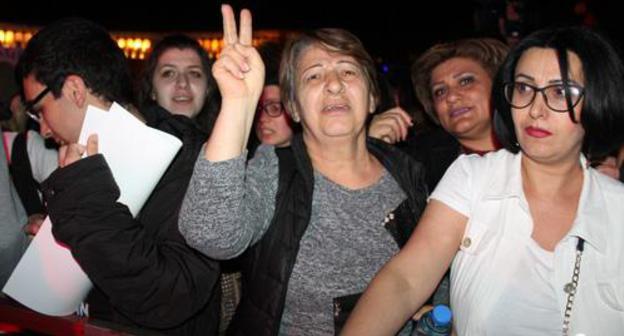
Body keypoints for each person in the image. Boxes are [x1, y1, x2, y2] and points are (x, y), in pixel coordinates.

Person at [342, 26, 624, 335]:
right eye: (524, 89)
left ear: (597, 100)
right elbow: (406, 279)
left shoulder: (615, 207)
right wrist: (365, 147)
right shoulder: (469, 175)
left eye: (560, 92)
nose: (536, 109)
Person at [178, 5, 427, 336]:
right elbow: (210, 235)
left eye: (349, 72)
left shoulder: (407, 172)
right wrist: (238, 103)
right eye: (314, 75)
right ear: (293, 107)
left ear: (371, 99)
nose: (334, 85)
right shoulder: (274, 169)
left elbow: (432, 277)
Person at [17, 18, 220, 335]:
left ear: (74, 90)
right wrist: (59, 236)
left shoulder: (189, 160)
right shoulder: (82, 158)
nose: (42, 129)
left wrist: (83, 209)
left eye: (39, 109)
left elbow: (171, 296)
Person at [370, 38, 509, 191]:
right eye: (440, 91)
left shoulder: (533, 146)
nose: (451, 97)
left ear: (498, 87)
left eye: (465, 81)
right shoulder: (415, 166)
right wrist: (371, 151)